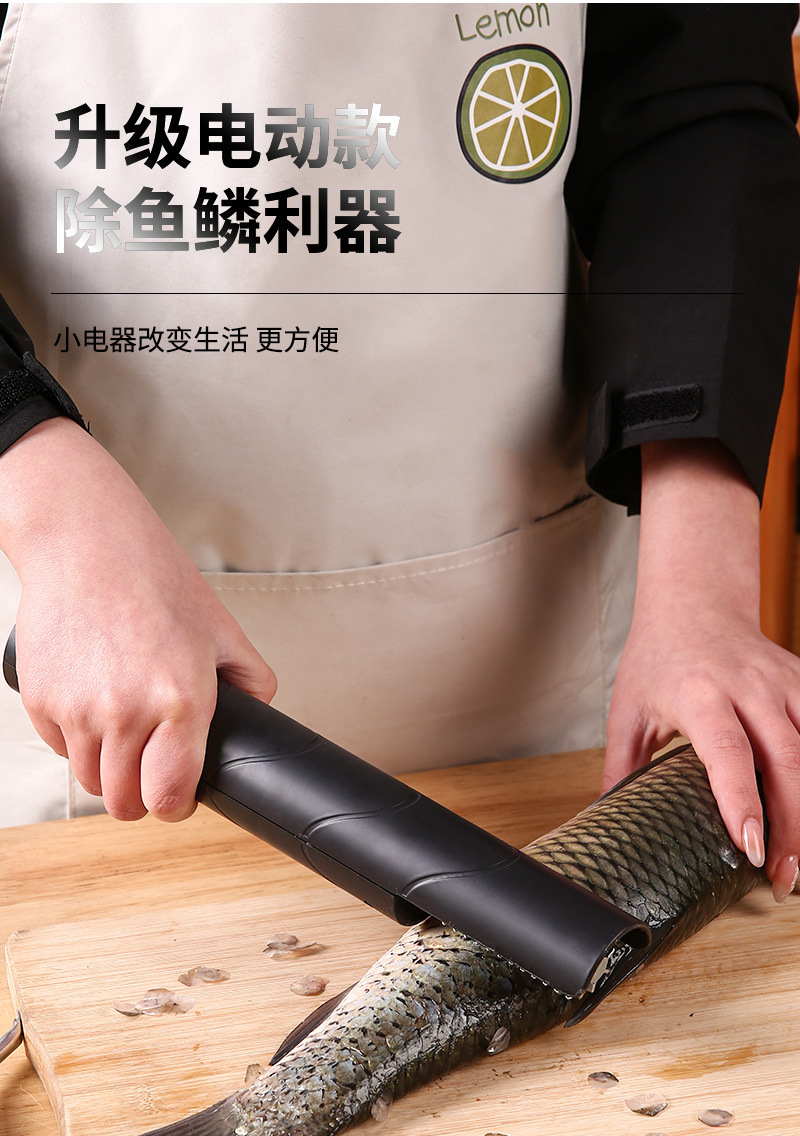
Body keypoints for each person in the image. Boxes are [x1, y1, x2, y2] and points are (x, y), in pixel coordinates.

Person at [0, 3, 799, 902]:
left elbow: (694, 94)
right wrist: (55, 514)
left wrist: (701, 590)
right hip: (95, 643)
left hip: (538, 654)